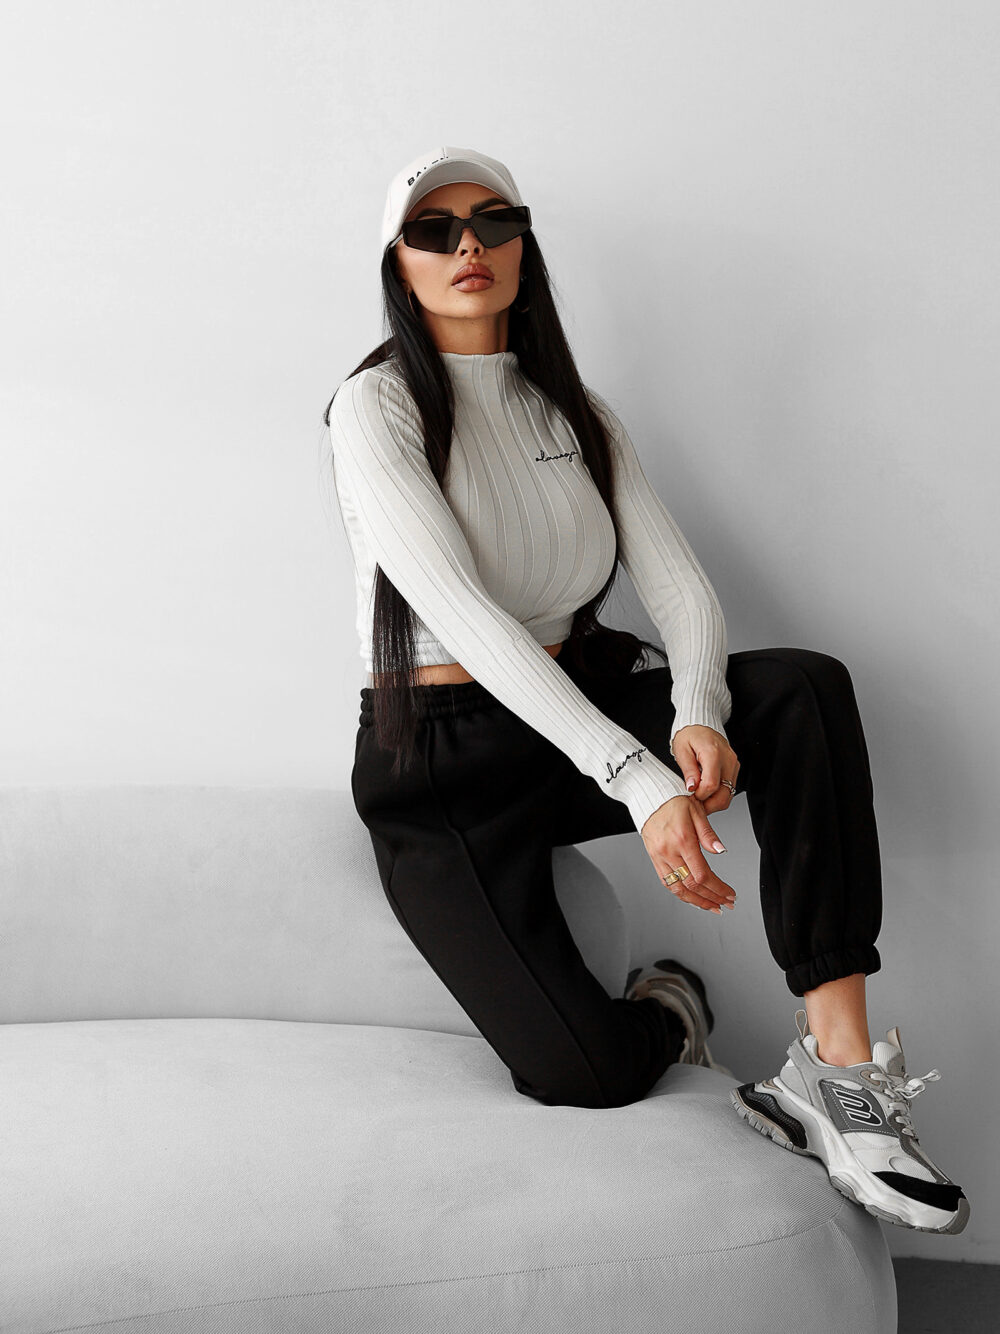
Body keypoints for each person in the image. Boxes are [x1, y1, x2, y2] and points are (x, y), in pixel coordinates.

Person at [323, 145, 968, 1236]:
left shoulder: (573, 411)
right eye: (434, 230)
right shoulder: (374, 408)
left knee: (800, 688)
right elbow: (467, 618)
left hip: (567, 712)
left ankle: (835, 1070)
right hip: (440, 765)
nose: (469, 245)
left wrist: (697, 711)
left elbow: (677, 584)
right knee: (585, 1073)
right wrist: (639, 776)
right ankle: (671, 1005)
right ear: (400, 263)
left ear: (523, 244)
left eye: (493, 221)